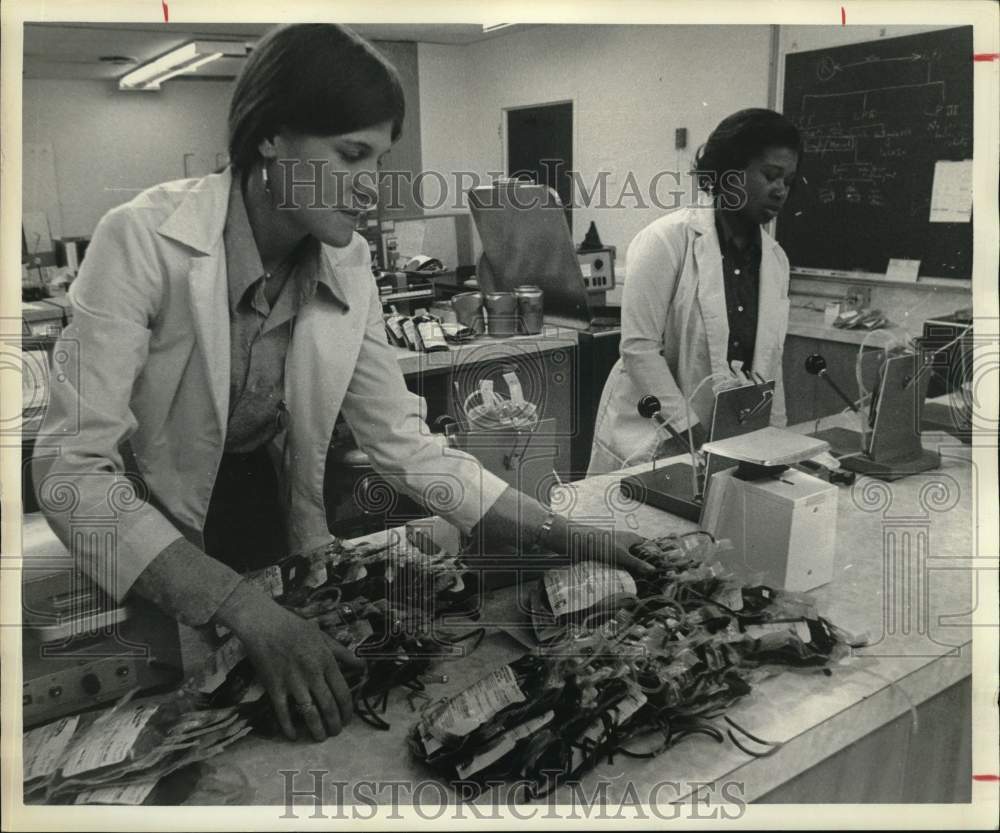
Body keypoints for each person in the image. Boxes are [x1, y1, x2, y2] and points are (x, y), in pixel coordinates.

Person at [33, 23, 649, 744]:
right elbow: (70, 469)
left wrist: (570, 530)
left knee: (283, 722)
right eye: (351, 154)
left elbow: (408, 449)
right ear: (270, 136)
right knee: (185, 721)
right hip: (154, 533)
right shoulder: (141, 240)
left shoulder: (346, 261)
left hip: (271, 512)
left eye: (380, 158)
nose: (372, 186)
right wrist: (243, 607)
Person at [588, 108, 801, 475]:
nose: (780, 190)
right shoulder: (666, 240)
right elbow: (639, 348)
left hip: (732, 442)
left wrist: (774, 439)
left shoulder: (775, 261)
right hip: (651, 436)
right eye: (770, 175)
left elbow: (770, 360)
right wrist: (689, 430)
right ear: (730, 173)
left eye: (789, 181)